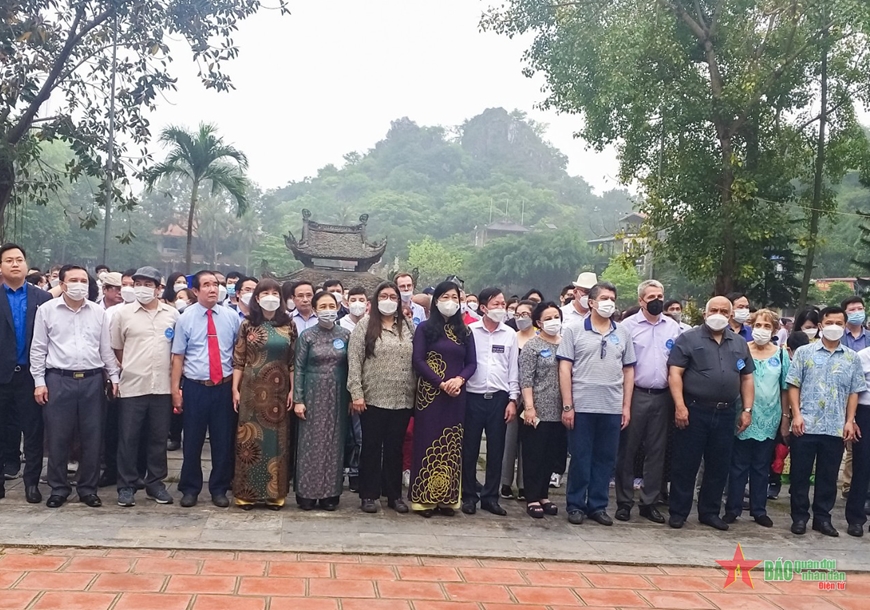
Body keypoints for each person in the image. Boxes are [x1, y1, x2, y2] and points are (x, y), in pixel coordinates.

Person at [31, 265, 120, 508]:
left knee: (93, 436)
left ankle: (88, 488)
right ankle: (58, 488)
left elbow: (105, 349)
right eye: (74, 280)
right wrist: (39, 382)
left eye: (83, 280)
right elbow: (38, 349)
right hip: (59, 379)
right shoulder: (47, 310)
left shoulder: (97, 312)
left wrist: (114, 377)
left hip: (92, 379)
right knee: (58, 436)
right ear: (62, 284)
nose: (80, 284)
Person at [666, 296, 755, 530]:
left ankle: (709, 512)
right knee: (686, 463)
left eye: (724, 311)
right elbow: (675, 373)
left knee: (718, 465)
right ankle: (678, 512)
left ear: (731, 315)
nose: (719, 314)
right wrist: (680, 406)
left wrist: (747, 409)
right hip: (694, 409)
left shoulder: (739, 343)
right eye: (714, 310)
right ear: (705, 314)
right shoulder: (688, 338)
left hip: (726, 412)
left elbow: (747, 377)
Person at [558, 282, 636, 526]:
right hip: (582, 405)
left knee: (605, 458)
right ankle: (575, 504)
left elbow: (629, 370)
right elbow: (565, 368)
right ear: (591, 302)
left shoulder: (622, 332)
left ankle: (598, 506)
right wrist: (568, 405)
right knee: (580, 458)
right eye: (604, 298)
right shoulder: (574, 330)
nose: (608, 302)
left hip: (611, 406)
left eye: (612, 298)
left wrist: (626, 406)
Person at [786, 306, 865, 537]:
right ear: (821, 325)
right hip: (806, 423)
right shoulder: (804, 353)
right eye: (830, 322)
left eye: (839, 323)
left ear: (845, 325)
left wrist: (850, 420)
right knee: (800, 475)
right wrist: (796, 415)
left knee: (828, 477)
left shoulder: (851, 358)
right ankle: (799, 517)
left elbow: (854, 391)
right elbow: (793, 384)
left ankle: (822, 518)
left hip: (835, 426)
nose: (834, 327)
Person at [171, 270, 241, 508]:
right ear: (196, 290)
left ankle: (219, 488)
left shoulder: (231, 316)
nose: (213, 289)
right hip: (195, 387)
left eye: (215, 284)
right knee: (192, 440)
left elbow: (237, 353)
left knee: (222, 440)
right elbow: (178, 357)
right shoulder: (185, 318)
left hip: (223, 387)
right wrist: (175, 391)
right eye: (207, 285)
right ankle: (190, 488)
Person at [110, 266, 179, 507]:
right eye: (138, 284)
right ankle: (126, 486)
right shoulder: (123, 314)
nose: (142, 289)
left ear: (159, 289)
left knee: (158, 438)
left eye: (148, 285)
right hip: (133, 386)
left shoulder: (172, 315)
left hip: (162, 387)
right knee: (128, 438)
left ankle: (155, 484)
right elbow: (117, 348)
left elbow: (177, 351)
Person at [615, 280, 681, 524]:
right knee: (628, 450)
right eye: (651, 297)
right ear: (641, 300)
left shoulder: (672, 327)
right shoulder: (627, 327)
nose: (657, 301)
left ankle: (649, 502)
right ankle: (624, 502)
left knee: (657, 450)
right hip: (635, 394)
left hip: (662, 395)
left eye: (660, 296)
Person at [409, 281, 477, 517]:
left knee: (452, 443)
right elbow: (418, 360)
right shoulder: (425, 329)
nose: (450, 301)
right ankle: (424, 500)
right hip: (430, 395)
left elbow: (472, 363)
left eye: (455, 297)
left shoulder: (465, 332)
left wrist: (459, 380)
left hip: (456, 395)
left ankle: (447, 499)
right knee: (426, 441)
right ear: (436, 300)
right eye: (445, 297)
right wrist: (440, 383)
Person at [348, 281, 416, 513]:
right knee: (371, 447)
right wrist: (356, 393)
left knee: (395, 448)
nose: (389, 300)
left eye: (393, 297)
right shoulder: (365, 325)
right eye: (384, 296)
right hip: (372, 398)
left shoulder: (407, 325)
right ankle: (368, 494)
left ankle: (394, 495)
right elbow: (354, 360)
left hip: (402, 398)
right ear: (376, 300)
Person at [231, 279, 296, 510]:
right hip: (251, 388)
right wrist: (235, 389)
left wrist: (293, 390)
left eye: (275, 293)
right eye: (265, 292)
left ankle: (274, 495)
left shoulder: (289, 325)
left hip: (279, 391)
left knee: (276, 442)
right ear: (257, 298)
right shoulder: (247, 325)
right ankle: (246, 494)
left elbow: (292, 362)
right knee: (248, 441)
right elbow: (239, 360)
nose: (271, 296)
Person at [723, 309, 789, 528]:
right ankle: (732, 509)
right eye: (758, 325)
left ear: (775, 330)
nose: (762, 329)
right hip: (742, 415)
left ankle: (759, 510)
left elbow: (785, 389)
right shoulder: (741, 350)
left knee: (761, 466)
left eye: (767, 326)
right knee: (738, 465)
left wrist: (785, 417)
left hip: (770, 416)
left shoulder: (781, 354)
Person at [0, 244, 52, 502]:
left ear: (26, 264)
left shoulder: (43, 298)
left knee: (33, 432)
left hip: (31, 376)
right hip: (2, 375)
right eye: (9, 260)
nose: (15, 264)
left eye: (19, 259)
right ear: (1, 266)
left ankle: (31, 483)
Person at [462, 287, 519, 516]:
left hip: (499, 398)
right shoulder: (470, 331)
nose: (501, 308)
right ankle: (468, 496)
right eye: (496, 304)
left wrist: (513, 399)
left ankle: (490, 497)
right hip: (472, 396)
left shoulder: (510, 334)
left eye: (503, 304)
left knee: (496, 450)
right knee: (469, 449)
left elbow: (513, 369)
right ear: (483, 307)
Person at [293, 291, 351, 510]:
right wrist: (298, 399)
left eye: (331, 306)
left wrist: (351, 396)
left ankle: (330, 494)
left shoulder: (345, 335)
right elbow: (299, 368)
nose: (328, 310)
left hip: (338, 394)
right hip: (312, 393)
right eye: (323, 306)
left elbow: (352, 367)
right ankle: (307, 492)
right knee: (310, 443)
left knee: (334, 442)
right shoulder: (307, 336)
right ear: (315, 310)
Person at [519, 301, 563, 518]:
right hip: (537, 409)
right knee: (534, 454)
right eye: (548, 318)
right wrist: (529, 407)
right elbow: (526, 379)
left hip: (560, 409)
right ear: (538, 322)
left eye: (556, 317)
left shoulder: (566, 344)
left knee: (551, 454)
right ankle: (532, 497)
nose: (553, 321)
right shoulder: (532, 346)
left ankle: (544, 494)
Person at [501, 300, 537, 500]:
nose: (521, 318)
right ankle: (505, 482)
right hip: (513, 395)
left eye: (525, 314)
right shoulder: (511, 337)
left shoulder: (540, 338)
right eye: (517, 314)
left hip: (534, 398)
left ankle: (525, 484)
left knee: (529, 442)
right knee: (509, 440)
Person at [851, 346, 870, 536]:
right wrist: (853, 419)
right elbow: (853, 389)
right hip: (865, 413)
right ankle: (856, 519)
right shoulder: (862, 356)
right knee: (862, 466)